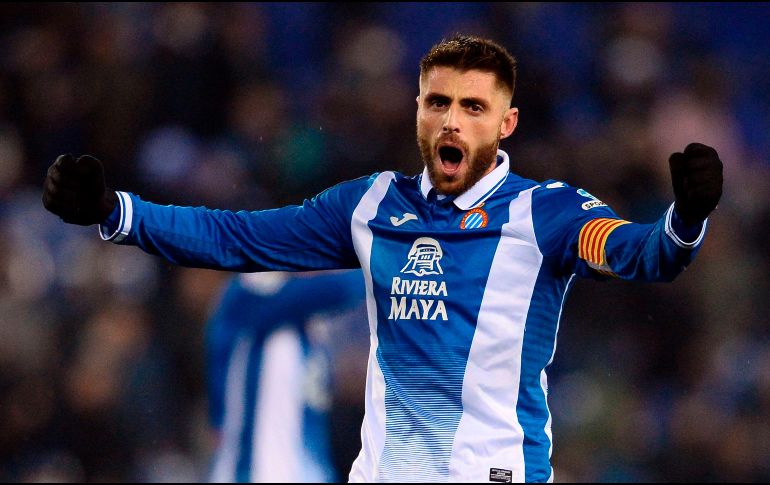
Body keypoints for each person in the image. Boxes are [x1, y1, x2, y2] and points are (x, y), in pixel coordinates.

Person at [42, 35, 723, 482]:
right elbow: (236, 237)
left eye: (474, 107)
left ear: (506, 122)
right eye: (439, 103)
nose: (452, 121)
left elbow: (639, 252)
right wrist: (116, 210)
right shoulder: (369, 205)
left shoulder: (545, 212)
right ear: (418, 110)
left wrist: (684, 219)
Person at [205, 269, 366, 483]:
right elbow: (342, 288)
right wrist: (383, 265)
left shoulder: (308, 324)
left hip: (308, 470)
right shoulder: (249, 293)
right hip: (255, 473)